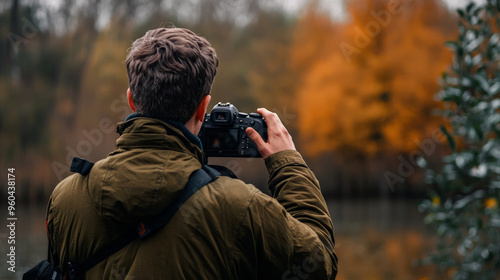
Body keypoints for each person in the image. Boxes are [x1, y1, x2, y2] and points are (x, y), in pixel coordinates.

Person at [46, 27, 338, 279]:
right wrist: (288, 164)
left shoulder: (64, 200)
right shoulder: (239, 207)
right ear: (203, 106)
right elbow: (318, 264)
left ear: (131, 100)